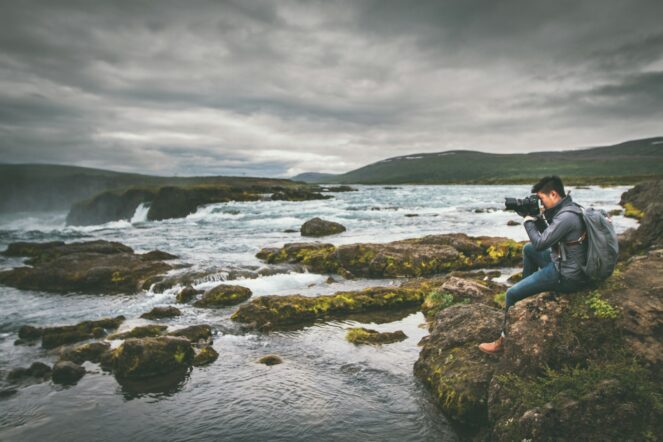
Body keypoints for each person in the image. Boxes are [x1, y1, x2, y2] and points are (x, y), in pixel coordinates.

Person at [479, 175, 590, 354]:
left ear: (553, 194)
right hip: (565, 261)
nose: (541, 203)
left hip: (567, 275)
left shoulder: (566, 217)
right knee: (529, 249)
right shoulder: (570, 209)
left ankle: (502, 341)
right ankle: (526, 296)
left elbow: (541, 243)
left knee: (511, 293)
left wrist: (528, 220)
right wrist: (537, 218)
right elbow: (548, 239)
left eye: (542, 199)